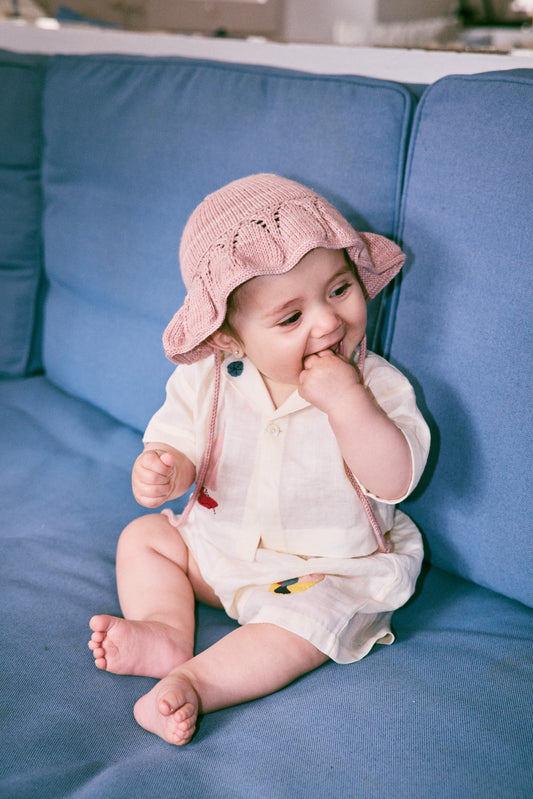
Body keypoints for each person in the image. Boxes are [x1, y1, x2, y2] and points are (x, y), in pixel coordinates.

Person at [88, 173, 430, 746]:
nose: (326, 322)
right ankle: (166, 629)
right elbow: (176, 443)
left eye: (340, 289)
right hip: (221, 551)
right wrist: (167, 465)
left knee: (310, 622)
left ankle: (197, 681)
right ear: (230, 340)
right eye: (290, 318)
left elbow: (395, 481)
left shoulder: (376, 385)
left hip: (325, 568)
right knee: (145, 538)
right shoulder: (209, 379)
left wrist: (349, 404)